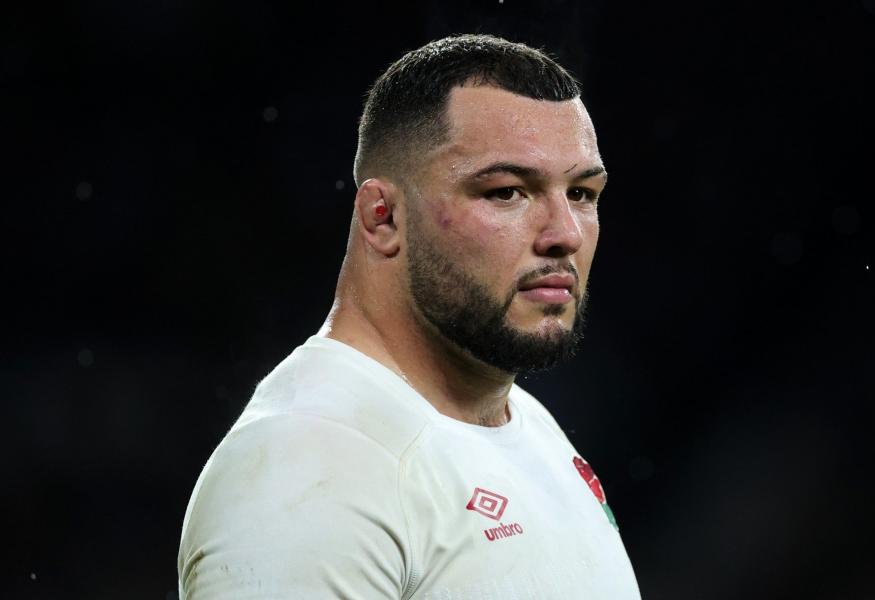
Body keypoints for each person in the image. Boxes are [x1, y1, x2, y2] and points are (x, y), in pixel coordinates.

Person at [177, 33, 641, 599]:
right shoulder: (308, 467)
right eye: (506, 192)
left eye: (583, 194)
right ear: (383, 216)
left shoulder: (527, 423)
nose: (564, 234)